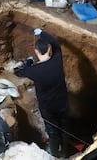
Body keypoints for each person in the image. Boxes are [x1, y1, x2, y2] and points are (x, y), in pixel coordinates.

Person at [14, 28, 69, 157]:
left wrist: (29, 61)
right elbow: (55, 43)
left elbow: (23, 71)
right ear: (49, 49)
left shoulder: (35, 71)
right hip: (62, 103)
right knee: (65, 128)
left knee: (52, 131)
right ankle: (65, 153)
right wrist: (42, 32)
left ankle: (55, 154)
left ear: (36, 51)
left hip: (48, 107)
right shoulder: (57, 59)